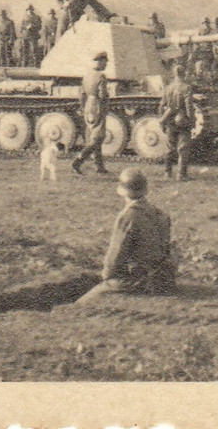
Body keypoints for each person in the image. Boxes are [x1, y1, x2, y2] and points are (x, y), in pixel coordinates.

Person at [76, 167, 176, 304]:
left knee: (82, 302)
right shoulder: (160, 213)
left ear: (122, 190)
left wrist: (107, 278)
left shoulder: (129, 216)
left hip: (141, 281)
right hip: (164, 278)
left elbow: (114, 257)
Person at [72, 51, 111, 175]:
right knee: (98, 137)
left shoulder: (87, 75)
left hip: (89, 105)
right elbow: (102, 95)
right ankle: (79, 160)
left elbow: (81, 94)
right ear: (100, 61)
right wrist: (105, 103)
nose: (106, 64)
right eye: (105, 61)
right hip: (97, 105)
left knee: (94, 135)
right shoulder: (101, 76)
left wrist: (85, 108)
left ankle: (99, 166)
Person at [158, 62, 194, 180]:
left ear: (174, 74)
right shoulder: (186, 87)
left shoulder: (168, 87)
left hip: (170, 120)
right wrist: (191, 120)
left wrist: (162, 120)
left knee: (169, 147)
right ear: (184, 74)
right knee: (183, 148)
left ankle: (167, 173)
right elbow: (189, 106)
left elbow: (162, 105)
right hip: (183, 120)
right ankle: (181, 174)